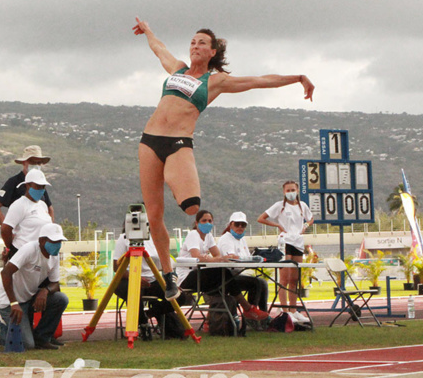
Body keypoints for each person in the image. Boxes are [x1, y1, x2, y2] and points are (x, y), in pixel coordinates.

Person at [133, 18, 314, 299]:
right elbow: (159, 49)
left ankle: (173, 175)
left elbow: (258, 81)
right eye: (192, 42)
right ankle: (169, 276)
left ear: (212, 51)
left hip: (178, 143)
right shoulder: (177, 69)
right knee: (154, 215)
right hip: (149, 142)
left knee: (192, 207)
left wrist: (298, 77)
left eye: (201, 43)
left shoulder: (215, 81)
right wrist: (148, 31)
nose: (195, 46)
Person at [177, 210, 268, 322]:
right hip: (187, 276)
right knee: (224, 274)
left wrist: (213, 258)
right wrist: (214, 259)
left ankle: (212, 321)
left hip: (201, 274)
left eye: (210, 221)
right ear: (197, 223)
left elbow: (217, 255)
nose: (207, 223)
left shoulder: (208, 236)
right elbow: (196, 256)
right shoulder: (193, 235)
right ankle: (248, 309)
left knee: (225, 280)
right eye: (204, 220)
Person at [0, 223, 70, 350]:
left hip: (28, 299)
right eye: (54, 241)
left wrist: (45, 291)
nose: (57, 245)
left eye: (60, 241)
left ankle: (42, 338)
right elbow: (6, 273)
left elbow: (55, 283)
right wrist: (13, 303)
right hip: (10, 302)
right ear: (41, 240)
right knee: (27, 344)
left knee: (61, 299)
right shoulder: (29, 249)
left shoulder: (54, 256)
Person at [257, 180, 314, 324]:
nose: (290, 193)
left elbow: (311, 218)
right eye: (287, 190)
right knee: (285, 278)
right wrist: (277, 225)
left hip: (298, 242)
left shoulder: (302, 206)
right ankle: (284, 309)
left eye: (292, 190)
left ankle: (293, 310)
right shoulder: (279, 206)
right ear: (284, 192)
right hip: (286, 241)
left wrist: (305, 226)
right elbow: (261, 218)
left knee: (294, 279)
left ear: (297, 190)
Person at [0, 145, 54, 256]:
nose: (36, 166)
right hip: (21, 243)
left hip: (39, 244)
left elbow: (50, 208)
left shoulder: (41, 183)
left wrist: (50, 232)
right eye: (33, 162)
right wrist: (9, 230)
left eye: (39, 163)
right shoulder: (14, 182)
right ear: (25, 163)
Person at [112, 228, 173, 339]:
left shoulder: (154, 238)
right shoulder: (124, 238)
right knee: (133, 290)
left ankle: (150, 313)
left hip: (152, 279)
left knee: (178, 295)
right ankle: (143, 323)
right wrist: (135, 278)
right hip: (128, 280)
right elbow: (116, 267)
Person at [218, 211, 269, 313]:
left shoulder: (242, 240)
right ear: (231, 224)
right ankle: (251, 313)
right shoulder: (226, 239)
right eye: (237, 224)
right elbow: (232, 258)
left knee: (263, 283)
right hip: (227, 277)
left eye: (243, 225)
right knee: (256, 283)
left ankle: (263, 314)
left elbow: (247, 258)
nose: (240, 227)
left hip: (238, 274)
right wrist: (248, 259)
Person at [1, 169, 53, 259]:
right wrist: (10, 248)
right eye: (37, 186)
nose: (41, 189)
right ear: (27, 185)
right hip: (23, 254)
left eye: (43, 187)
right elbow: (5, 229)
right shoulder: (19, 205)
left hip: (39, 255)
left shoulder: (43, 205)